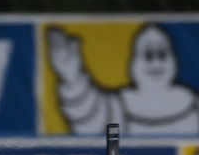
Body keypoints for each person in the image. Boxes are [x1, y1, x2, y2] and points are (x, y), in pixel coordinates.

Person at [48, 24, 199, 135]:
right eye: (148, 55)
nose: (155, 63)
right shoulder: (118, 105)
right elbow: (88, 119)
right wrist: (72, 78)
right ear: (134, 63)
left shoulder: (194, 104)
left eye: (162, 54)